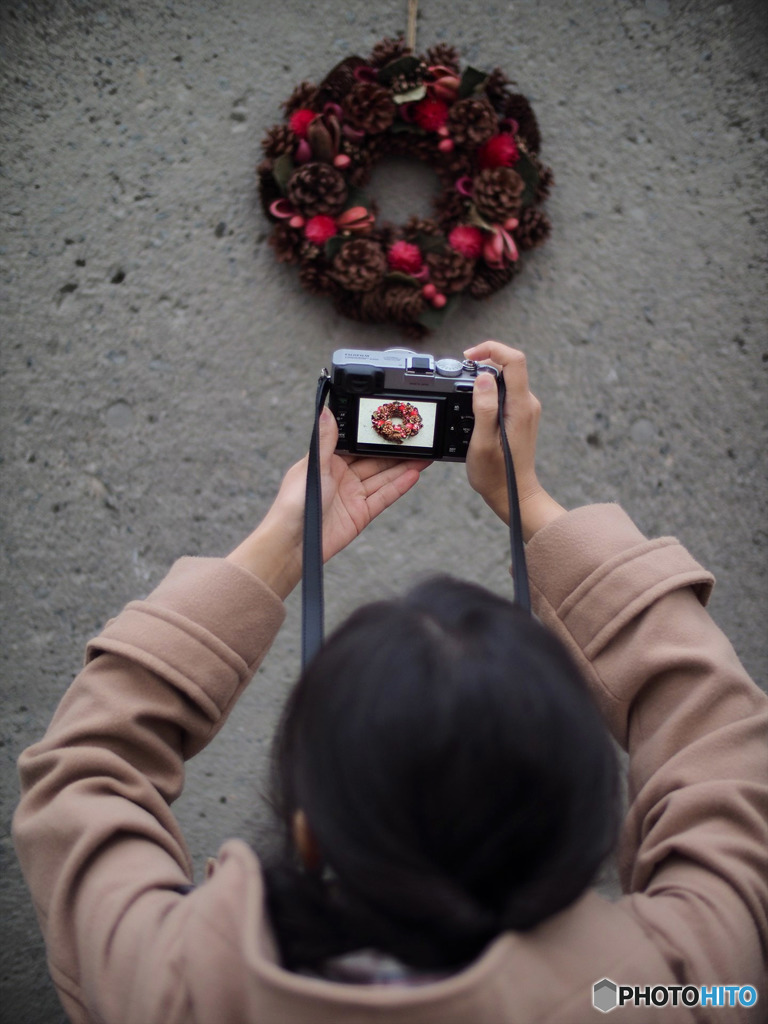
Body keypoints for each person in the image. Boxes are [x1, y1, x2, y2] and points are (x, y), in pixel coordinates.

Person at [13, 342, 767, 1023]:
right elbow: (720, 744)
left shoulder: (169, 981)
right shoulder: (676, 987)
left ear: (306, 826)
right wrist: (531, 504)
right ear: (586, 820)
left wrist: (284, 542)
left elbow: (82, 774)